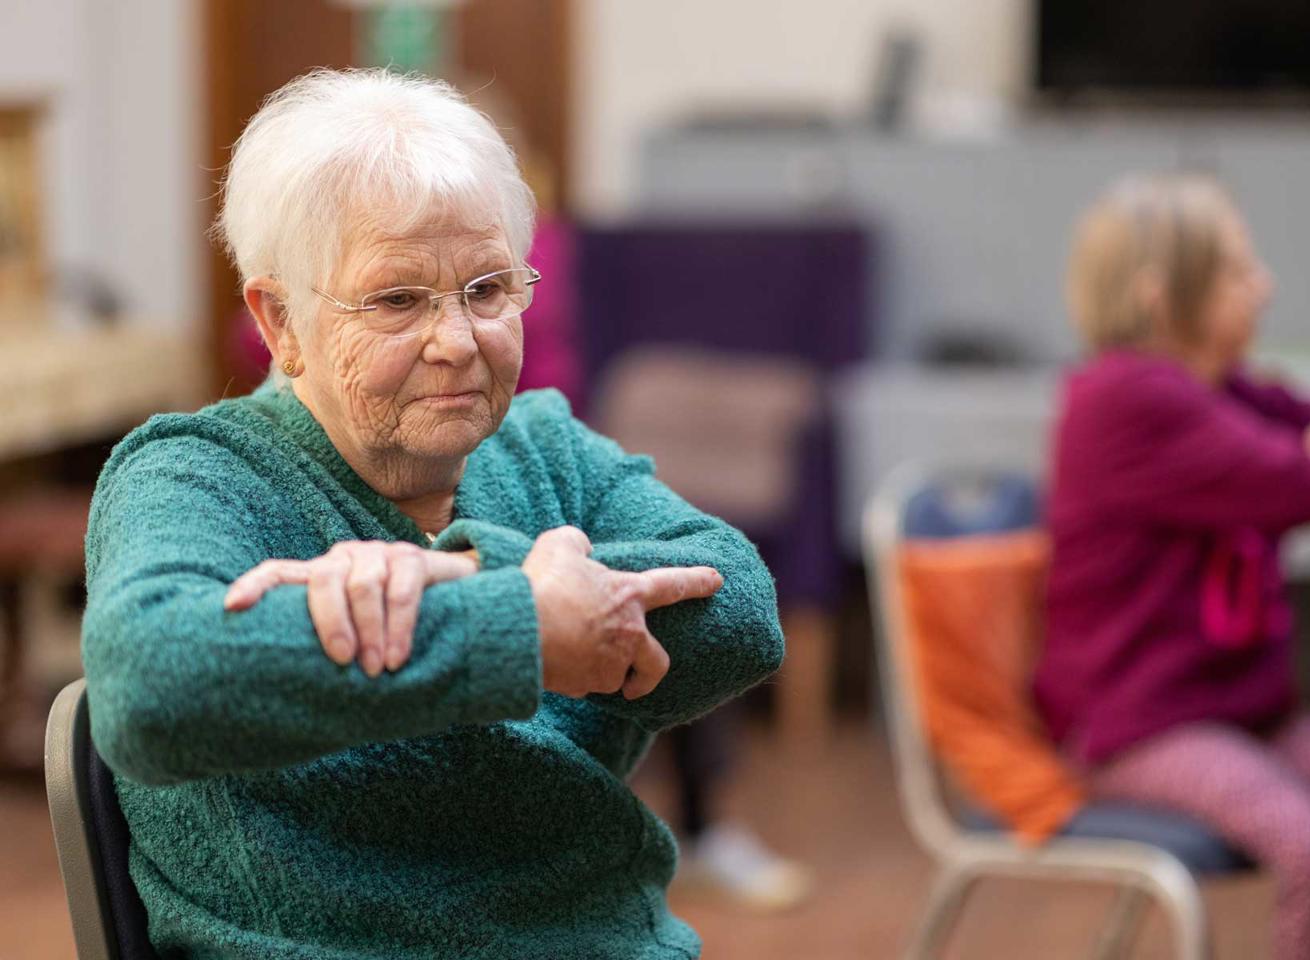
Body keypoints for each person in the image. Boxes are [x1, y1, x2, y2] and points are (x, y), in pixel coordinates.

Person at [81, 68, 784, 960]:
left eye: (487, 289)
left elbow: (744, 613)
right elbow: (151, 691)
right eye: (397, 300)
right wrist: (519, 624)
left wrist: (458, 571)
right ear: (280, 321)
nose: (457, 341)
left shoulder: (544, 444)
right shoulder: (195, 473)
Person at [1034, 171, 1310, 960]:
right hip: (1142, 727)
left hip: (1248, 716)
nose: (1266, 287)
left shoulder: (1215, 388)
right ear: (1160, 297)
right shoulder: (1128, 398)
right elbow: (1296, 481)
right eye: (1238, 272)